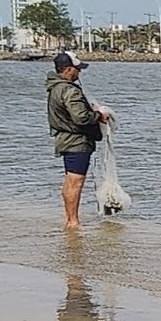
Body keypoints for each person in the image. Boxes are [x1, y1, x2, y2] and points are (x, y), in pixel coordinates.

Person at [46, 51, 110, 230]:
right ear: (67, 70)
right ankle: (73, 222)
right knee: (76, 182)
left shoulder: (55, 87)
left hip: (65, 139)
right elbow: (81, 117)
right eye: (77, 69)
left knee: (70, 181)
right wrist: (99, 115)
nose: (79, 72)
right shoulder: (69, 90)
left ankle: (69, 219)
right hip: (77, 141)